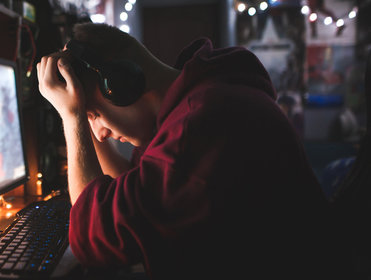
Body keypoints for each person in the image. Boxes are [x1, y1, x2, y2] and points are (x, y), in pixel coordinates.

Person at [36, 23, 341, 279]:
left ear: (122, 84)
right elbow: (136, 194)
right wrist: (85, 119)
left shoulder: (199, 125)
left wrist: (72, 116)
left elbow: (94, 239)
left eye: (95, 116)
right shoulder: (198, 101)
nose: (100, 133)